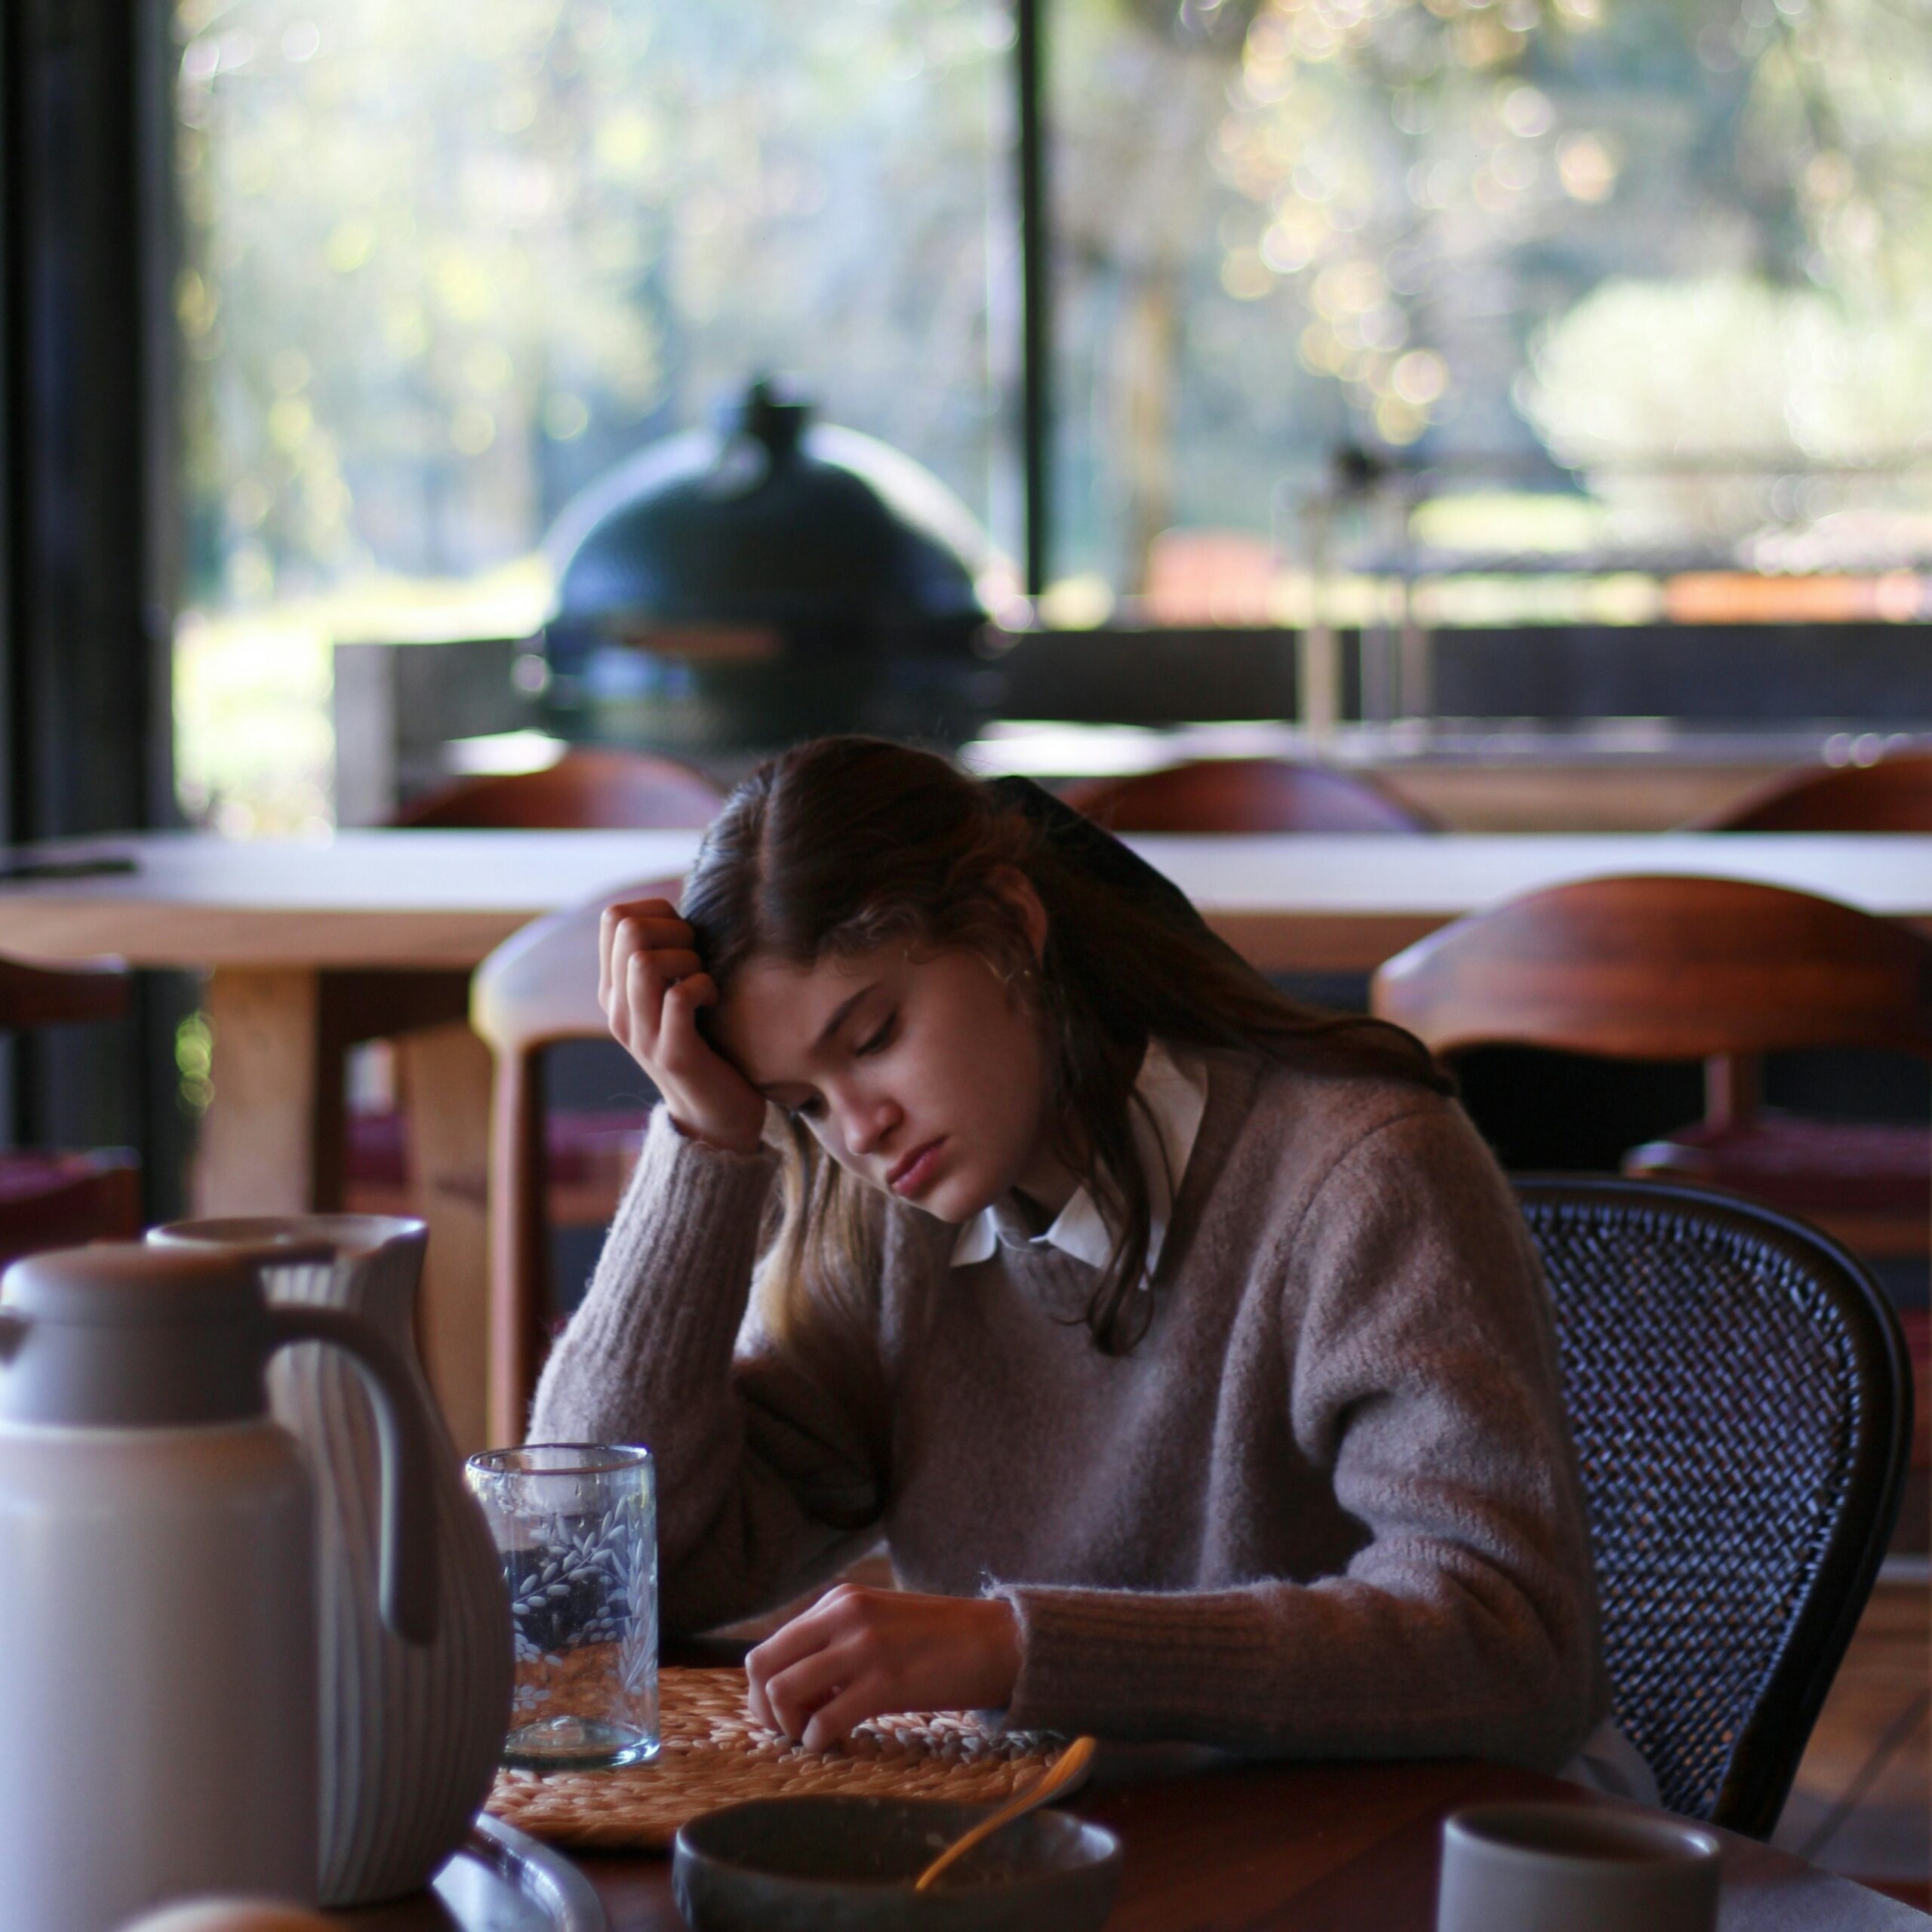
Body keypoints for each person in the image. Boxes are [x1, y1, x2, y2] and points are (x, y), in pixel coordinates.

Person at [532, 735, 1644, 1790]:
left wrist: (1021, 1649)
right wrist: (704, 1139)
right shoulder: (890, 1230)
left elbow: (1513, 1649)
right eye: (803, 1104)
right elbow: (593, 1583)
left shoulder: (1361, 1172)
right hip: (1087, 1845)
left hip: (1407, 1849)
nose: (858, 1130)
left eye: (873, 1038)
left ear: (1012, 926)